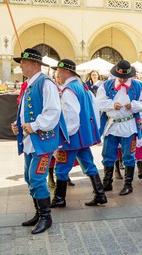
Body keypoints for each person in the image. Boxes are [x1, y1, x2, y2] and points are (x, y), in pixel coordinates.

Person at [11, 48, 68, 234]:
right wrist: (18, 124)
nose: (21, 65)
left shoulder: (46, 83)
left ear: (35, 64)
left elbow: (53, 111)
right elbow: (26, 110)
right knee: (29, 178)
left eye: (24, 62)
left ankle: (46, 217)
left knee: (36, 178)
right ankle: (38, 213)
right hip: (30, 141)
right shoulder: (30, 84)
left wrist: (35, 125)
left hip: (43, 141)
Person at [50, 59, 107, 208]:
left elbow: (71, 116)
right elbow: (93, 109)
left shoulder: (70, 90)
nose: (57, 74)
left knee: (61, 168)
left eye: (59, 71)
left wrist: (64, 136)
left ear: (67, 71)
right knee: (88, 164)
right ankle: (100, 194)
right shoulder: (81, 86)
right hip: (82, 135)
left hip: (72, 136)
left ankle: (59, 198)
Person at [96, 60, 142, 195]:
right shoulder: (106, 85)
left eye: (124, 77)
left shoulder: (139, 86)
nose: (122, 79)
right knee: (108, 154)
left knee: (128, 155)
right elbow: (99, 102)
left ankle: (128, 184)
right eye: (120, 77)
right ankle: (107, 182)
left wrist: (133, 105)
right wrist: (111, 104)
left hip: (129, 125)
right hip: (112, 124)